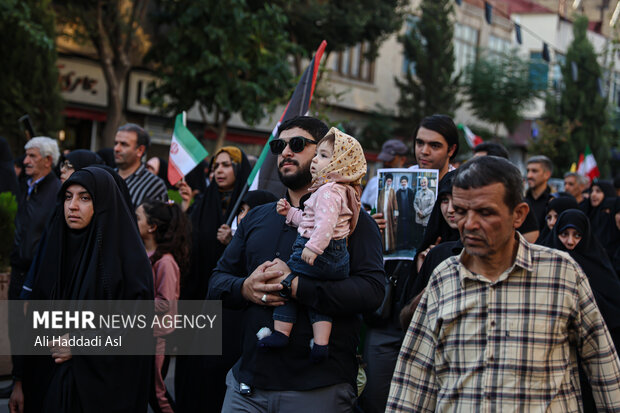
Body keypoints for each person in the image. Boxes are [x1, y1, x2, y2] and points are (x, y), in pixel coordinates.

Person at [387, 156, 620, 412]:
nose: (470, 224)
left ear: (518, 215)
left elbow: (602, 365)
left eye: (485, 212)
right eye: (462, 211)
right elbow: (413, 381)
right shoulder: (444, 278)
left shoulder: (561, 274)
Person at [208, 116, 384, 413]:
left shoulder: (353, 217)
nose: (286, 151)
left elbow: (372, 291)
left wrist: (298, 286)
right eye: (280, 145)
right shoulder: (258, 216)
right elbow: (217, 281)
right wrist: (245, 288)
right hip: (247, 386)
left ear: (325, 153)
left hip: (318, 388)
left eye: (298, 144)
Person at [15, 167, 153, 413]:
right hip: (47, 383)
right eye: (68, 197)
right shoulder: (57, 249)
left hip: (100, 394)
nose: (73, 206)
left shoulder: (129, 262)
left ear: (102, 204)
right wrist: (19, 381)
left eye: (84, 198)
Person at [257, 128, 367, 363]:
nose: (317, 160)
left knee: (285, 286)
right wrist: (290, 213)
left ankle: (280, 333)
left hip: (321, 252)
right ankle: (320, 345)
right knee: (319, 300)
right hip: (336, 259)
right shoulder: (341, 191)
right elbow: (310, 220)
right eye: (317, 154)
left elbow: (323, 226)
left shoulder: (327, 192)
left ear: (341, 163)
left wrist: (313, 247)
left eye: (324, 156)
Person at [174, 146, 251, 413]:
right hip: (196, 302)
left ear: (239, 170)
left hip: (229, 308)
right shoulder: (203, 203)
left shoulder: (250, 207)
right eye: (216, 166)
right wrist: (184, 213)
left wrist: (233, 242)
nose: (219, 171)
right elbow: (184, 249)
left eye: (227, 165)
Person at [544, 208, 620, 412]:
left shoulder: (598, 264)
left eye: (577, 235)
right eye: (564, 234)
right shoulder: (544, 268)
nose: (570, 242)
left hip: (592, 352)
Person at [9, 137, 61, 398]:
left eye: (32, 156)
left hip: (37, 275)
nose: (26, 161)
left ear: (48, 160)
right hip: (18, 268)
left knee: (33, 330)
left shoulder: (57, 192)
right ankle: (18, 378)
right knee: (16, 326)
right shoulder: (28, 185)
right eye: (25, 155)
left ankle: (29, 383)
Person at [137, 200, 190, 413]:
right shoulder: (145, 255)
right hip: (144, 334)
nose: (134, 220)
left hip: (157, 338)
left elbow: (166, 303)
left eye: (138, 217)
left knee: (157, 393)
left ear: (152, 227)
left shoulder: (165, 262)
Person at [114, 123, 168, 208]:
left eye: (124, 144)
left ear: (140, 150)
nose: (116, 148)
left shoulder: (154, 185)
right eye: (116, 143)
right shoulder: (107, 176)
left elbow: (155, 220)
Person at [360, 139, 408, 210]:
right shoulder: (373, 181)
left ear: (402, 160)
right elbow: (363, 206)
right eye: (384, 159)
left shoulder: (406, 182)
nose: (386, 163)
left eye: (390, 160)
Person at [580, 179, 616, 252]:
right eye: (592, 191)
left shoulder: (612, 215)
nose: (593, 194)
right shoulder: (587, 211)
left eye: (598, 191)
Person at [525, 155, 553, 229]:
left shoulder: (554, 200)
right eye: (528, 171)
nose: (529, 176)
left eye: (534, 171)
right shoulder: (521, 199)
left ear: (547, 174)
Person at [377, 173, 398, 252]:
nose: (389, 183)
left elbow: (395, 202)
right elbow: (379, 201)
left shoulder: (392, 191)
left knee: (390, 231)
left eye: (390, 181)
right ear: (386, 181)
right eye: (388, 181)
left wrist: (395, 213)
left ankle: (390, 248)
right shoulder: (382, 191)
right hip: (383, 214)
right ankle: (383, 248)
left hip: (389, 215)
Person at [412, 176, 434, 249]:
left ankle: (424, 248)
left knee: (426, 234)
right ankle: (418, 248)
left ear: (427, 183)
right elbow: (414, 203)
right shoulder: (418, 192)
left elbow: (432, 205)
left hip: (426, 218)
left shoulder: (431, 193)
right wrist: (418, 212)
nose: (423, 184)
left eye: (424, 182)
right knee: (418, 234)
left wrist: (423, 213)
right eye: (422, 183)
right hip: (418, 218)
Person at [395, 176, 415, 250]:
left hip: (409, 215)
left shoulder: (410, 191)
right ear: (400, 183)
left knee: (409, 230)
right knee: (401, 230)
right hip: (400, 215)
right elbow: (396, 204)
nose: (403, 183)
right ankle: (401, 245)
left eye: (405, 182)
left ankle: (408, 245)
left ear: (407, 182)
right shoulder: (398, 192)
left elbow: (413, 204)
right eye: (402, 182)